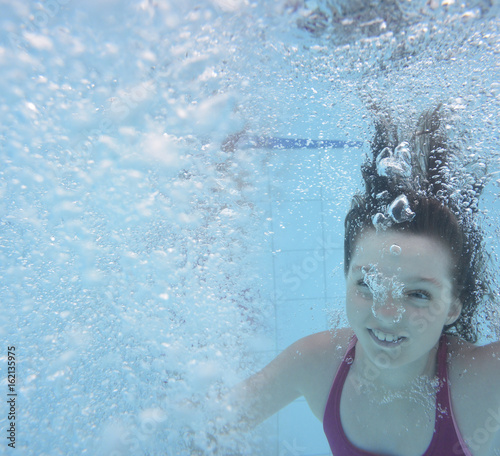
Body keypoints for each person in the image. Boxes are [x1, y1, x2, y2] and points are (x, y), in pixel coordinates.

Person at [226, 105, 500, 455]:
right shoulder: (316, 363)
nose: (386, 313)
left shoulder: (485, 382)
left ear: (452, 308)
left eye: (418, 294)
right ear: (345, 279)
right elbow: (211, 427)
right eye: (367, 285)